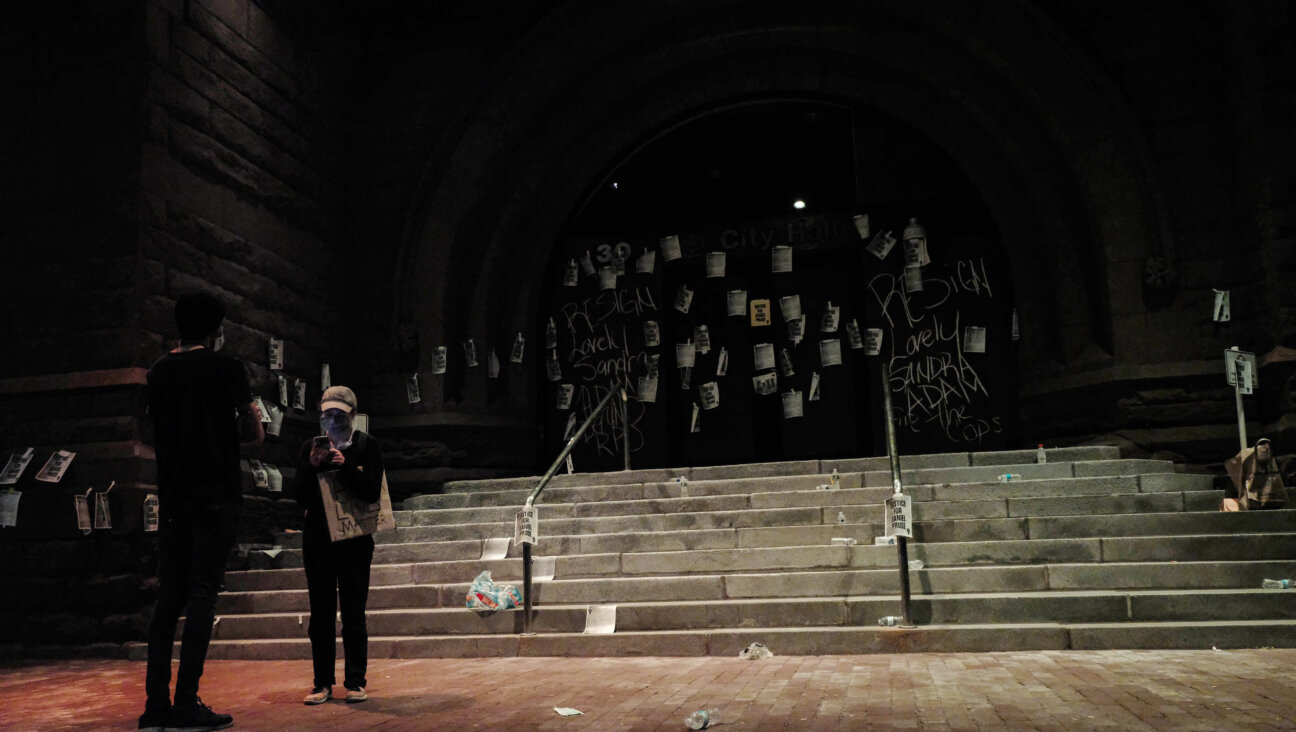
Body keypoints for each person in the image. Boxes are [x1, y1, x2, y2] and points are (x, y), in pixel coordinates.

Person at [141, 292, 264, 732]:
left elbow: (150, 431)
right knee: (201, 595)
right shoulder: (225, 367)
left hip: (174, 495)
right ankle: (186, 703)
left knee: (167, 599)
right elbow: (253, 430)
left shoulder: (158, 372)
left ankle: (155, 707)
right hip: (215, 494)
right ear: (216, 330)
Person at [294, 385, 383, 705]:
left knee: (353, 612)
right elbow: (300, 495)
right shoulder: (310, 447)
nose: (332, 423)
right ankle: (322, 682)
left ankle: (356, 680)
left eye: (339, 416)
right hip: (318, 540)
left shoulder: (366, 446)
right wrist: (313, 466)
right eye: (327, 416)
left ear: (353, 417)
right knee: (321, 613)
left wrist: (344, 465)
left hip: (355, 540)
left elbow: (373, 492)